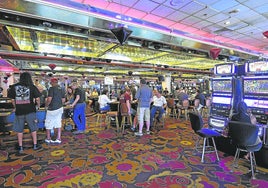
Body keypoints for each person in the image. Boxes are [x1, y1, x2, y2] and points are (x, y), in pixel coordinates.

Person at [8, 72, 42, 153]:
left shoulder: (14, 87)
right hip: (30, 110)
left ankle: (20, 147)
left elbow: (12, 100)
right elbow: (37, 99)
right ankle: (35, 145)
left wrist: (15, 107)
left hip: (19, 111)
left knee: (19, 130)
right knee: (33, 128)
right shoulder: (32, 86)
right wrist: (38, 106)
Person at [44, 78, 66, 144]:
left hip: (52, 108)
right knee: (58, 123)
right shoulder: (62, 89)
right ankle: (58, 138)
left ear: (52, 82)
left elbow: (49, 99)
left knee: (48, 123)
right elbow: (63, 100)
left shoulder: (51, 89)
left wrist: (46, 105)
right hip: (59, 108)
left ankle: (48, 138)